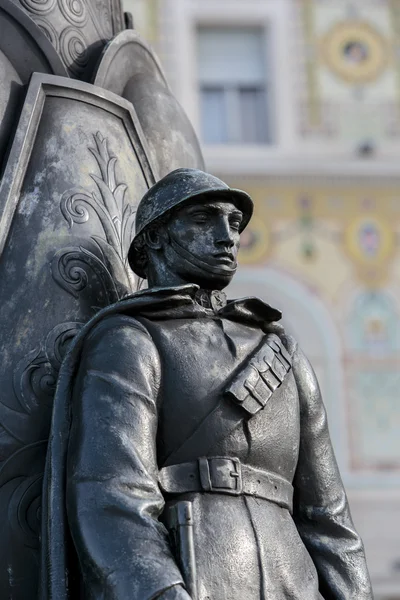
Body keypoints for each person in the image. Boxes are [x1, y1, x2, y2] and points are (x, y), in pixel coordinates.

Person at [40, 168, 373, 600]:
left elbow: (329, 519)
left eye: (234, 223)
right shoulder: (130, 339)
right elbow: (112, 495)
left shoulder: (281, 351)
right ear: (155, 238)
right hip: (197, 580)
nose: (227, 236)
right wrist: (161, 592)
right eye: (203, 220)